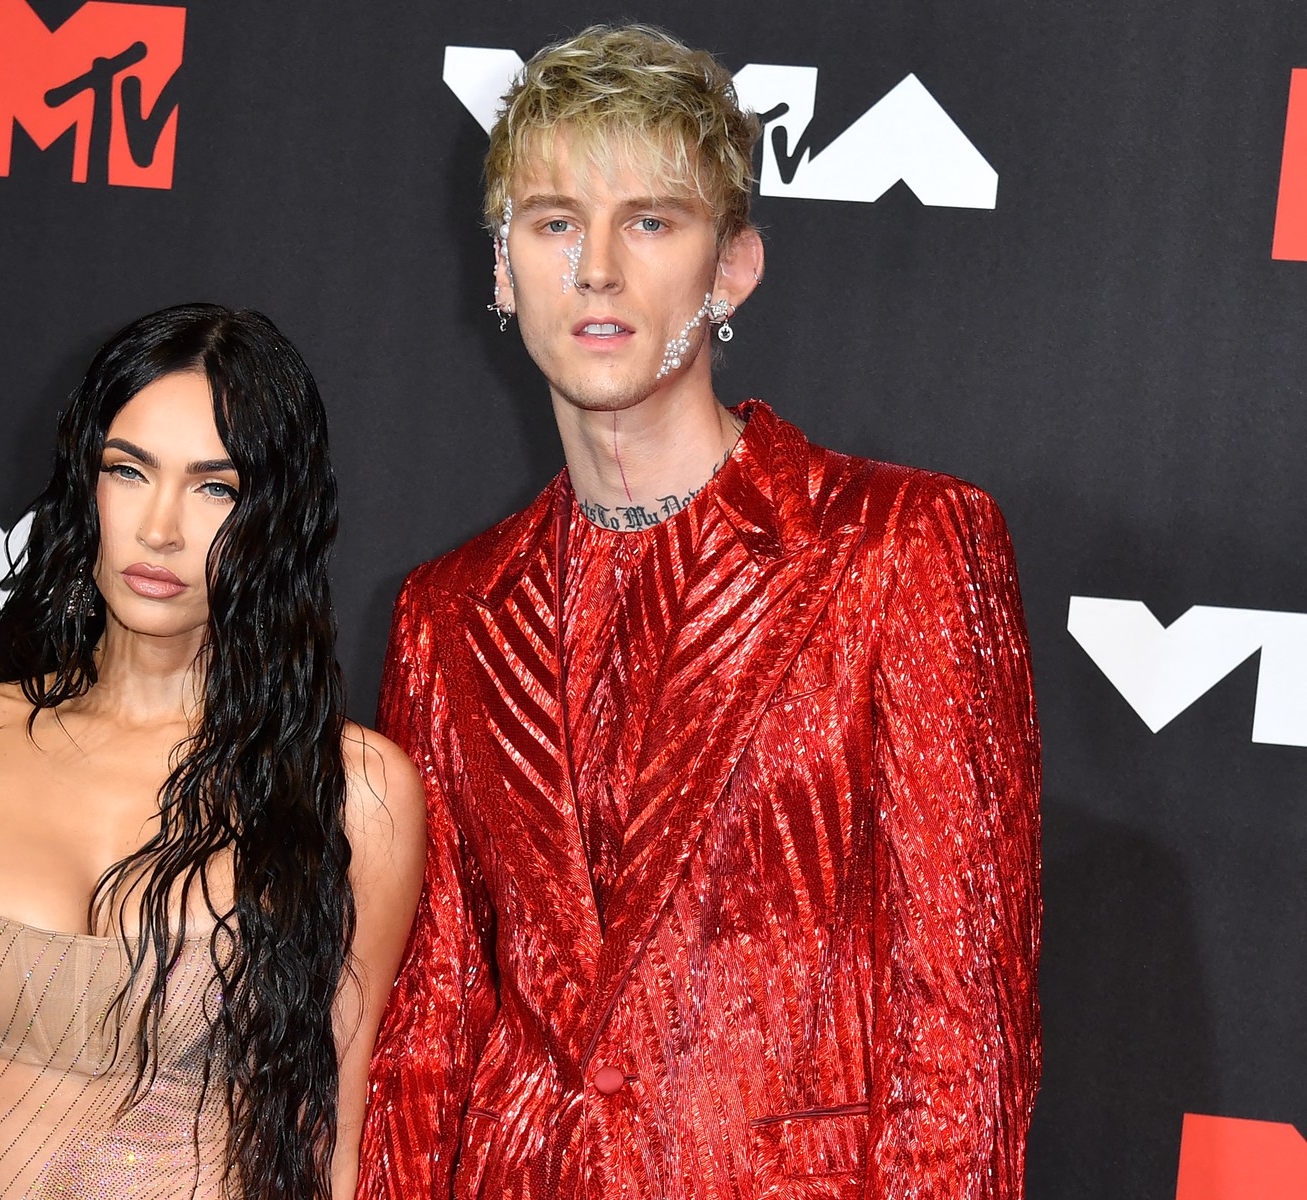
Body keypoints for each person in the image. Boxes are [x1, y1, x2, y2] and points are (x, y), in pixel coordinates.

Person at [358, 25, 1040, 1199]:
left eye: (653, 221)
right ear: (501, 268)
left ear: (732, 270)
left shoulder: (901, 548)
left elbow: (964, 1032)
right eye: (555, 222)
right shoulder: (447, 616)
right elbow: (429, 1025)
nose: (598, 270)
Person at [0, 304, 426, 1200]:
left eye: (215, 487)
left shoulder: (352, 791)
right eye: (129, 471)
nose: (160, 528)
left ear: (275, 518)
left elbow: (323, 1137)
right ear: (85, 485)